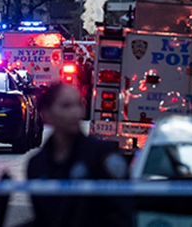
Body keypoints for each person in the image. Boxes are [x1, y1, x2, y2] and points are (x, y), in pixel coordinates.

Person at [26, 82, 132, 227]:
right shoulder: (37, 165)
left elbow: (122, 214)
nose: (75, 112)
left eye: (78, 104)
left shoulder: (102, 156)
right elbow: (43, 218)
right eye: (66, 106)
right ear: (46, 113)